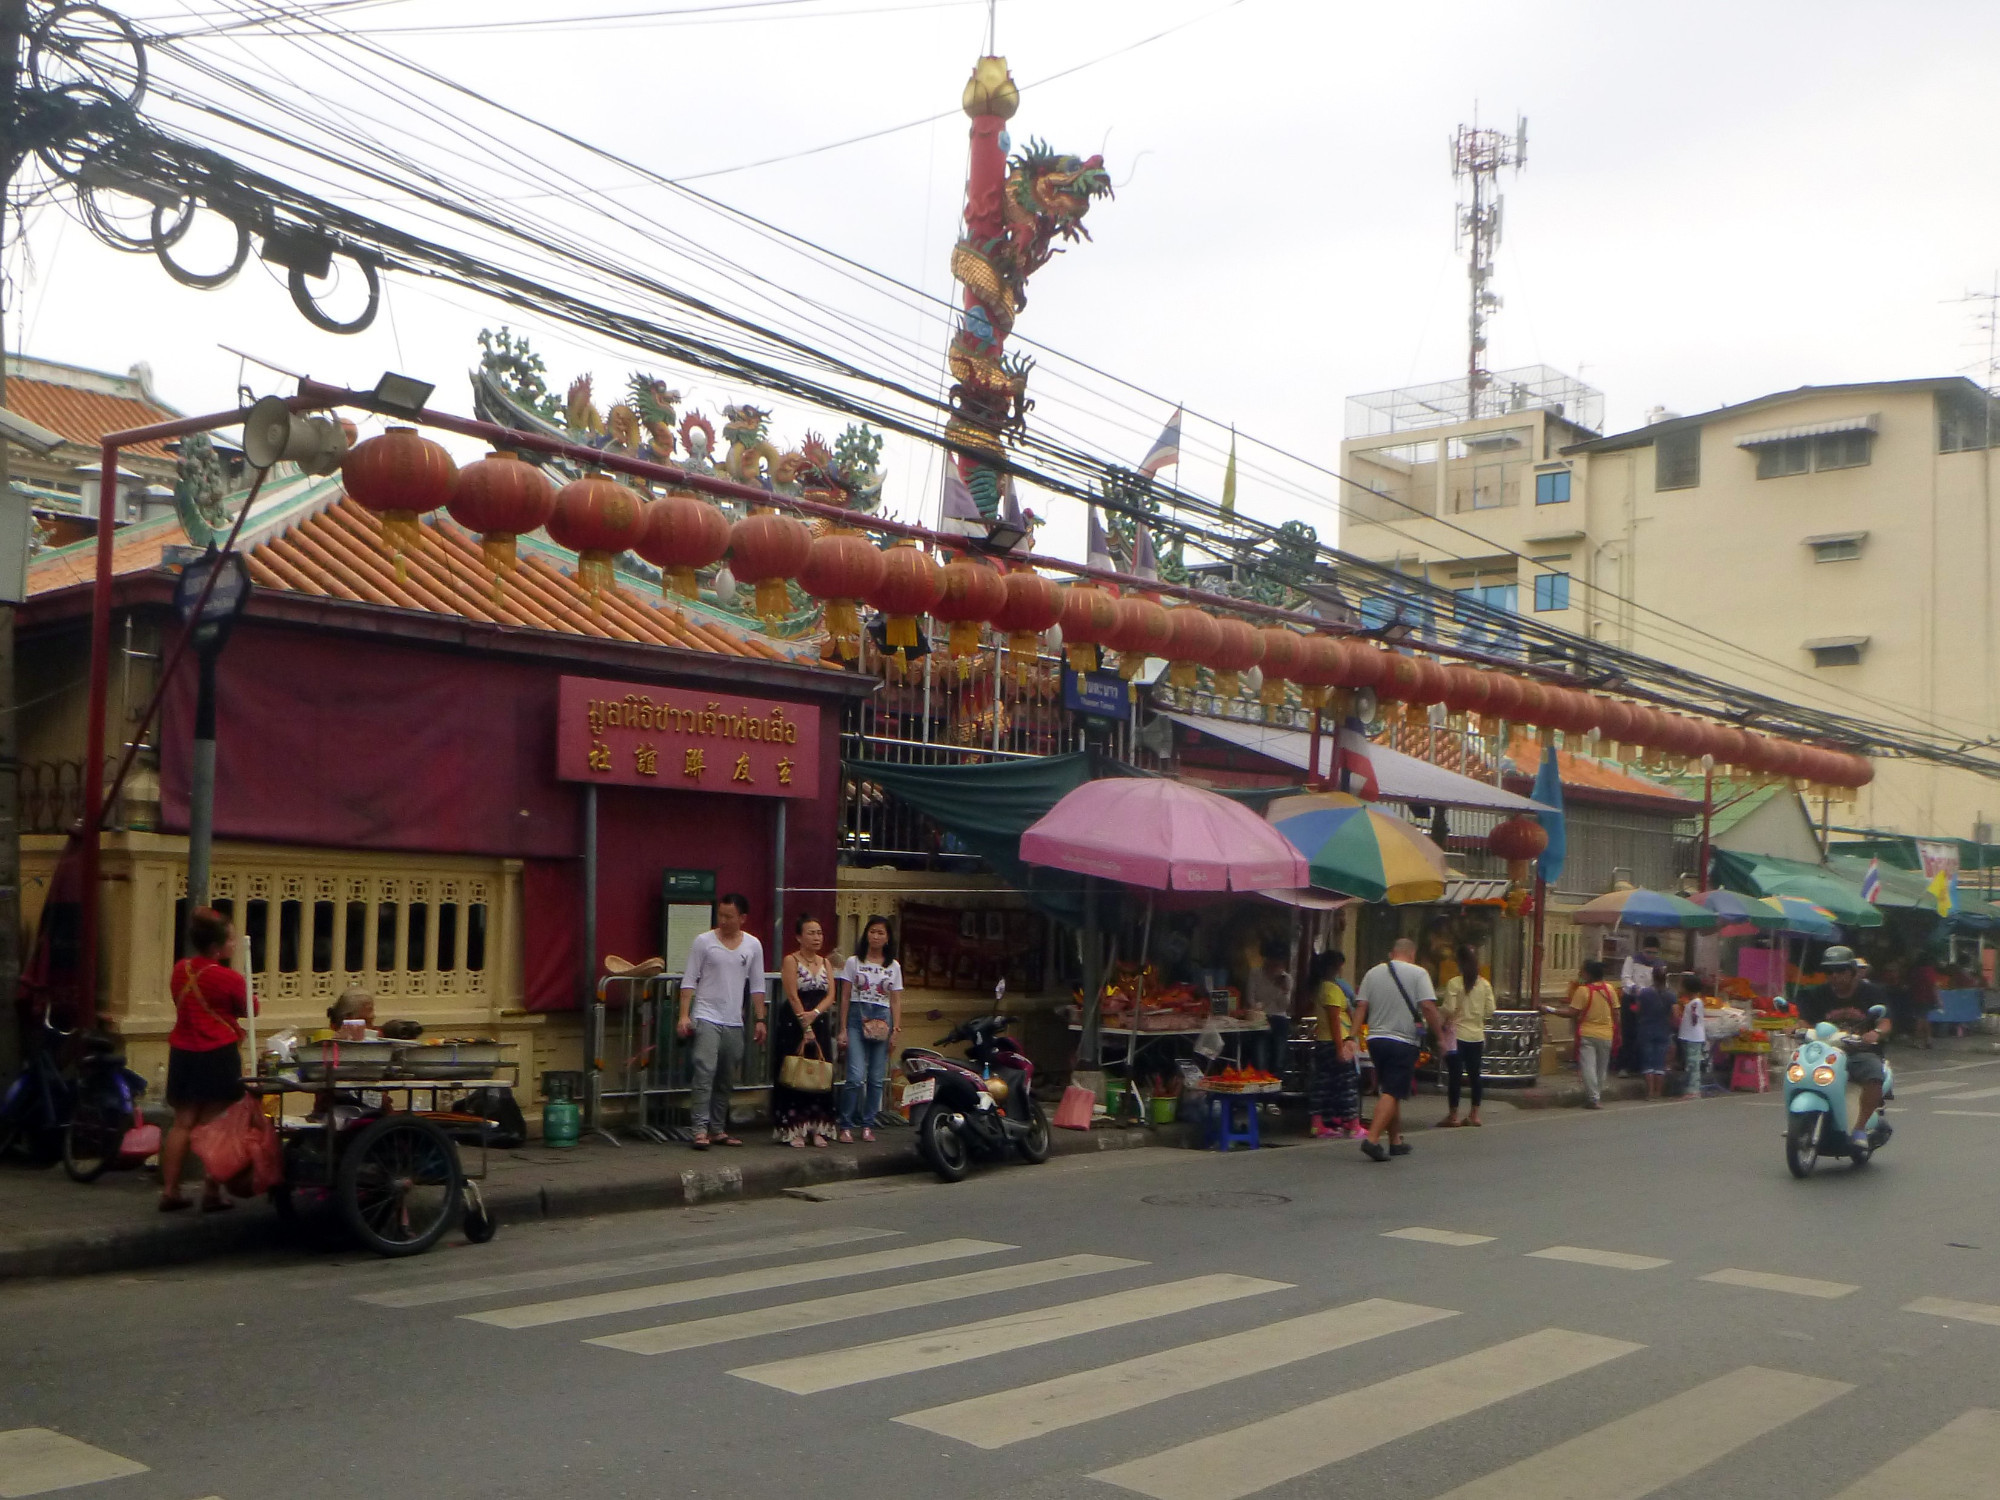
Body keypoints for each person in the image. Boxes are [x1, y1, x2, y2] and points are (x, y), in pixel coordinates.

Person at [160, 908, 258, 1212]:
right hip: (217, 1053)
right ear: (217, 946)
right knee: (213, 1125)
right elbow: (251, 1009)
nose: (233, 943)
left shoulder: (181, 970)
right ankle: (212, 1192)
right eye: (230, 938)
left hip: (183, 1052)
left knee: (182, 1123)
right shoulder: (227, 978)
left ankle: (170, 1191)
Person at [676, 892, 767, 1150]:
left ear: (743, 918)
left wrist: (761, 1018)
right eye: (721, 915)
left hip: (734, 1019)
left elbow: (757, 985)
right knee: (705, 1070)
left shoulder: (752, 945)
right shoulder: (704, 942)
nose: (724, 921)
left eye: (730, 916)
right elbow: (690, 979)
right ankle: (699, 1129)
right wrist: (685, 1014)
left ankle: (717, 1128)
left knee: (726, 1076)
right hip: (706, 1014)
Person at [1353, 938, 1443, 1162]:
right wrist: (1440, 1035)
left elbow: (1361, 1006)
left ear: (1392, 953)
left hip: (1375, 1039)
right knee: (1393, 1090)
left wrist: (1351, 1036)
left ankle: (1395, 1140)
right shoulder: (1419, 973)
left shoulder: (1372, 973)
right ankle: (1372, 1139)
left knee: (1390, 1088)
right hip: (1402, 1041)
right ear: (1412, 954)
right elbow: (1428, 1006)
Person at [1796, 946, 1891, 1149]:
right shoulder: (1816, 994)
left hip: (1859, 1052)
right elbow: (1804, 1021)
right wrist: (1797, 1029)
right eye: (1829, 972)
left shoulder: (1871, 993)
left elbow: (1886, 1022)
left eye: (1840, 971)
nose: (1835, 977)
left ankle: (1859, 1128)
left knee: (1874, 1074)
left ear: (1853, 972)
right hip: (1825, 1052)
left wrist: (1876, 1033)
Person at [772, 914, 838, 1148]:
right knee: (796, 1072)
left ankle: (818, 1127)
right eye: (811, 933)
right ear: (799, 936)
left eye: (819, 933)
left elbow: (831, 994)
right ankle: (793, 1128)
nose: (816, 937)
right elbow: (792, 994)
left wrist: (816, 1014)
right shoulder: (791, 960)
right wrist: (805, 1024)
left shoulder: (826, 962)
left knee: (819, 1073)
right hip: (794, 1020)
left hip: (818, 1019)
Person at [836, 914, 902, 1143]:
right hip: (857, 1017)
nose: (875, 936)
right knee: (855, 1076)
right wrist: (842, 1028)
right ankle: (845, 1124)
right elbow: (844, 997)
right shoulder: (854, 962)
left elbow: (895, 1000)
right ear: (866, 935)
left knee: (875, 1078)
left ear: (887, 938)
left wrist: (896, 1029)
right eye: (872, 931)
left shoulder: (893, 966)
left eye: (881, 932)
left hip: (882, 1020)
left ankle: (867, 1124)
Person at [1542, 960, 1620, 1109]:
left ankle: (1594, 1098)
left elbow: (1572, 1012)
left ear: (1589, 974)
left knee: (1588, 1067)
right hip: (1607, 1034)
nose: (1580, 974)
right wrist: (1616, 1031)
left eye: (1582, 971)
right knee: (1601, 1068)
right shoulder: (1610, 989)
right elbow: (1616, 1013)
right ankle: (1597, 1095)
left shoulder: (1583, 991)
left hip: (1588, 1034)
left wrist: (1550, 1010)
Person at [1438, 943, 1496, 1128]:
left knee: (1455, 1076)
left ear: (1460, 963)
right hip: (1477, 1036)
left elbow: (1449, 1008)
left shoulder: (1455, 983)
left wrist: (1439, 1016)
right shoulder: (1485, 984)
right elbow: (1490, 1010)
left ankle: (1453, 1115)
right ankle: (1474, 1114)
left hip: (1457, 1035)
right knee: (1475, 1075)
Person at [1306, 950, 1361, 1139]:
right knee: (1347, 1084)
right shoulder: (1332, 989)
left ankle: (1319, 1123)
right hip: (1336, 1041)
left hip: (1323, 1042)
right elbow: (1334, 1021)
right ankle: (1353, 1124)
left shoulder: (1321, 987)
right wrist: (1340, 1048)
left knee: (1324, 1084)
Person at [1243, 936, 1294, 1078]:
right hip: (1259, 1019)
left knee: (1278, 1060)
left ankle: (1275, 1092)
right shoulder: (1255, 974)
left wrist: (1282, 990)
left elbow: (1284, 1005)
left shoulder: (1286, 978)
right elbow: (1250, 998)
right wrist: (1259, 1007)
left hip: (1279, 1019)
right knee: (1260, 1060)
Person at [1633, 965, 1677, 1100]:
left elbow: (1637, 1009)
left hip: (1646, 1029)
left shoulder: (1644, 993)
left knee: (1648, 1062)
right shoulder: (1671, 995)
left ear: (1652, 976)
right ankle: (1658, 1093)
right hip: (1663, 1030)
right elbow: (1675, 1014)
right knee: (1659, 1063)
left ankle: (1650, 1092)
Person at [1618, 938, 1661, 1075]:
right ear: (1642, 950)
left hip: (1649, 1001)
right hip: (1631, 999)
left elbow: (1660, 982)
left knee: (1644, 1033)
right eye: (1648, 952)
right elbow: (1625, 978)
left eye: (1654, 953)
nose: (1650, 956)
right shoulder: (1632, 960)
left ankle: (1642, 1066)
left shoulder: (1659, 964)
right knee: (1629, 1032)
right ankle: (1626, 1066)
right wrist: (1635, 988)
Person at [1675, 975, 1709, 1096]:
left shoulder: (1695, 1002)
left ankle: (1694, 1090)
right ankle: (1690, 1088)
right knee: (1690, 1064)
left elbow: (1694, 1019)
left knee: (1693, 1064)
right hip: (1688, 1036)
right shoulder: (1692, 1002)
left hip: (1693, 1037)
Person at [1907, 955, 1939, 1050]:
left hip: (1916, 996)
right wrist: (1938, 999)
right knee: (1922, 1019)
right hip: (1926, 997)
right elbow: (1933, 985)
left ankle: (1927, 1040)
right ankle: (1919, 1040)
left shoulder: (1915, 971)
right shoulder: (1929, 971)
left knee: (1923, 1018)